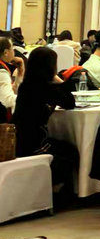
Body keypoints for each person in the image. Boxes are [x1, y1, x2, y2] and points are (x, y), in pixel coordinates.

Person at [12, 46, 78, 200]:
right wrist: (57, 79)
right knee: (70, 153)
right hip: (33, 143)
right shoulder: (45, 88)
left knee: (65, 149)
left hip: (20, 139)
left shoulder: (26, 86)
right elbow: (70, 102)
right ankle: (59, 193)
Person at [0, 37, 25, 113]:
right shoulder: (2, 72)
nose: (14, 52)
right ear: (6, 53)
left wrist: (20, 72)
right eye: (12, 49)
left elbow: (11, 92)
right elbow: (8, 101)